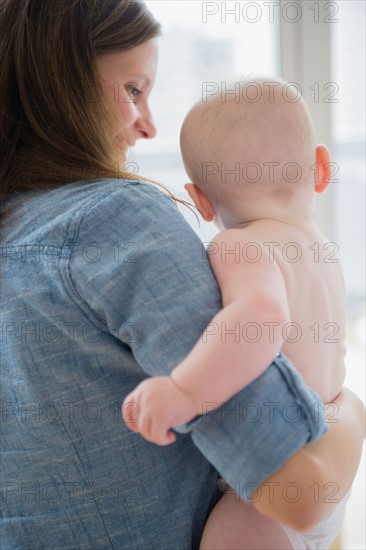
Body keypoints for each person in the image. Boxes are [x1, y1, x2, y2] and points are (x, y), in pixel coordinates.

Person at [0, 2, 364, 548]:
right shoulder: (116, 218)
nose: (146, 126)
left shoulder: (16, 227)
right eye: (132, 89)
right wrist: (351, 410)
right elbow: (303, 494)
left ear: (202, 197)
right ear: (59, 84)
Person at [122, 77, 355, 548]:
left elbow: (262, 317)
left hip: (270, 495)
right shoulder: (322, 249)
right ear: (322, 168)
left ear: (201, 199)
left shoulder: (240, 244)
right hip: (332, 462)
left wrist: (183, 390)